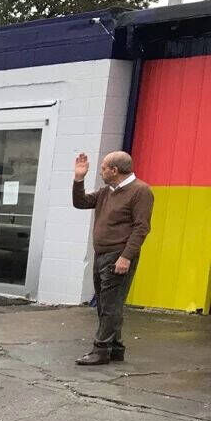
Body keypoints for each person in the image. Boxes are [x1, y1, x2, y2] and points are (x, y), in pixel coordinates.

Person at [71, 151, 153, 366]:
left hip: (118, 255)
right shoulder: (107, 191)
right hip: (102, 254)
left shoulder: (140, 191)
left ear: (114, 170)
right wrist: (79, 178)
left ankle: (101, 349)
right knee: (107, 302)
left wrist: (126, 257)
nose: (101, 171)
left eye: (104, 168)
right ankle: (115, 347)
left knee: (110, 305)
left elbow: (141, 227)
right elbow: (80, 202)